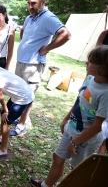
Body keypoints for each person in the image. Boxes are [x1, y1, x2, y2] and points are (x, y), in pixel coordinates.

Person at [30, 45, 108, 187]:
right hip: (72, 129)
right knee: (58, 158)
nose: (86, 63)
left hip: (86, 139)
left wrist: (75, 142)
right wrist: (66, 119)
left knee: (78, 170)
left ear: (102, 68)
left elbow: (97, 126)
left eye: (90, 62)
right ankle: (46, 185)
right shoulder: (90, 78)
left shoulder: (105, 93)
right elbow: (79, 100)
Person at [12, 0, 71, 136]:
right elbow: (24, 32)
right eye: (29, 3)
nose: (30, 6)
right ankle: (19, 118)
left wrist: (47, 48)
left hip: (33, 65)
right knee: (19, 92)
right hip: (21, 62)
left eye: (34, 3)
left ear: (43, 3)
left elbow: (66, 34)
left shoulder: (49, 18)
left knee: (28, 95)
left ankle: (21, 125)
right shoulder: (29, 18)